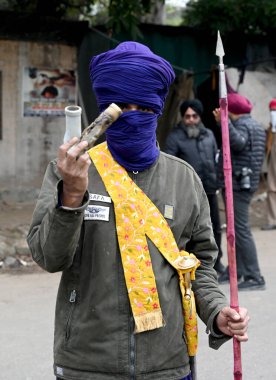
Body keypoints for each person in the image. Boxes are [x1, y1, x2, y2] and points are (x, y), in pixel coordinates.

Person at [27, 42, 249, 380]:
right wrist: (71, 195)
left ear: (157, 109)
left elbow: (200, 264)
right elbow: (49, 257)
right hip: (87, 365)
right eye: (122, 108)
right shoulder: (71, 171)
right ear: (105, 112)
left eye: (143, 108)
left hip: (167, 363)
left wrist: (218, 311)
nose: (133, 115)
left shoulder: (183, 178)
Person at [164, 99, 225, 274]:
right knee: (190, 230)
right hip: (186, 193)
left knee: (214, 226)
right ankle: (192, 264)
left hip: (209, 189)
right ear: (183, 118)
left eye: (194, 116)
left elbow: (215, 159)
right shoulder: (175, 137)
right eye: (187, 116)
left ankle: (217, 262)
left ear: (200, 117)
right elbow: (170, 165)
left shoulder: (209, 135)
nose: (191, 120)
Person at [213, 92, 266, 291]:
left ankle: (254, 276)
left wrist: (223, 123)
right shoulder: (257, 125)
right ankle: (241, 270)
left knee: (241, 230)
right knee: (237, 229)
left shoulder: (241, 125)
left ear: (231, 111)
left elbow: (238, 143)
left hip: (238, 185)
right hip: (246, 183)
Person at [261, 98, 276, 230]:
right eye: (271, 111)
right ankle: (272, 220)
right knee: (271, 188)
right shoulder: (271, 129)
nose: (273, 113)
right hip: (272, 162)